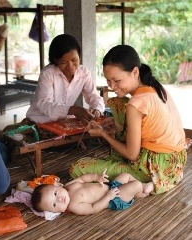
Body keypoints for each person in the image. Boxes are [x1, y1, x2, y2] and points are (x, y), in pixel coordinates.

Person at [69, 45, 187, 195]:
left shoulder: (136, 104)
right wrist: (120, 126)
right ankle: (158, 181)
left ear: (135, 72)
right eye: (108, 80)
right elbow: (150, 129)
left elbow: (132, 155)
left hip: (152, 166)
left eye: (117, 80)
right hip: (175, 163)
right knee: (119, 105)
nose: (112, 86)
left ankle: (138, 180)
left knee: (77, 167)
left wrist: (103, 134)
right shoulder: (157, 88)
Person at [26, 34, 105, 124]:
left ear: (79, 56)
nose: (70, 66)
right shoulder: (48, 73)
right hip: (40, 121)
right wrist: (73, 110)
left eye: (74, 60)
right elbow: (44, 104)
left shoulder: (83, 73)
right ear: (55, 60)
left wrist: (97, 109)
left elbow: (94, 96)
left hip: (64, 122)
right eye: (64, 62)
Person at [31, 170, 154, 215]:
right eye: (54, 205)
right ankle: (141, 191)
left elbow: (83, 179)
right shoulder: (74, 206)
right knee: (135, 185)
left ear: (57, 186)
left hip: (110, 186)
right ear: (58, 212)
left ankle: (140, 190)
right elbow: (93, 208)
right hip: (115, 198)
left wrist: (97, 177)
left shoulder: (68, 186)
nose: (58, 199)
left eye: (55, 194)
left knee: (125, 175)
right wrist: (108, 197)